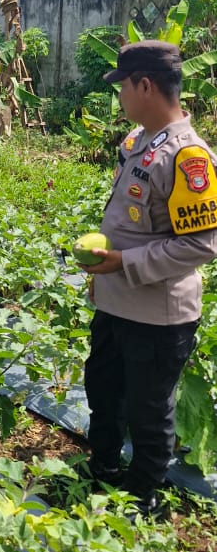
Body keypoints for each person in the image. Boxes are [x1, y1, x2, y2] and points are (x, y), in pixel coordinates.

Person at [83, 40, 217, 515]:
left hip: (158, 315)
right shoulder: (138, 142)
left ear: (145, 85)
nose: (119, 97)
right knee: (103, 389)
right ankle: (103, 469)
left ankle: (144, 496)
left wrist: (122, 264)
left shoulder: (189, 158)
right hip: (115, 302)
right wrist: (105, 273)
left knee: (148, 409)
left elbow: (201, 245)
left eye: (123, 87)